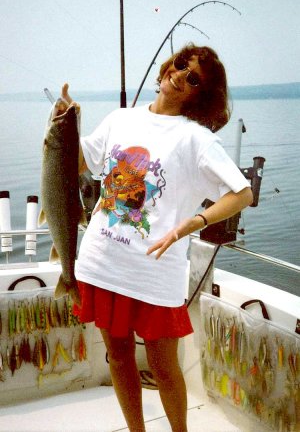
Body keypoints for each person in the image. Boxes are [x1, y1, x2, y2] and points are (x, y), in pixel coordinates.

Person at [61, 43, 253, 432]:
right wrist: (65, 121)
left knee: (165, 367)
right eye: (181, 65)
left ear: (201, 94)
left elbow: (242, 193)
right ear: (169, 65)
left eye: (194, 77)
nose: (181, 74)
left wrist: (191, 223)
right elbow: (79, 162)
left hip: (154, 271)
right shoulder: (121, 118)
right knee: (117, 358)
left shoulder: (196, 138)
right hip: (101, 260)